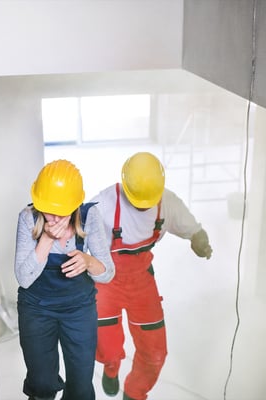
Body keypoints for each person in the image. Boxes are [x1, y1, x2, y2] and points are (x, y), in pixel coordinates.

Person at [91, 152, 213, 400]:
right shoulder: (103, 205)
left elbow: (191, 227)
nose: (143, 205)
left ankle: (134, 392)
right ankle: (111, 366)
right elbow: (78, 237)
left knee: (155, 351)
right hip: (105, 279)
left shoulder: (167, 203)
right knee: (107, 345)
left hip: (141, 282)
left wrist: (199, 239)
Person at [14, 159, 116, 400]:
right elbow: (24, 278)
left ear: (74, 204)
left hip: (79, 309)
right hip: (36, 309)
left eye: (60, 212)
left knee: (81, 387)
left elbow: (108, 272)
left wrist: (88, 262)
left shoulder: (89, 216)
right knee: (42, 383)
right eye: (47, 209)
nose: (53, 218)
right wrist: (46, 240)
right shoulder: (28, 217)